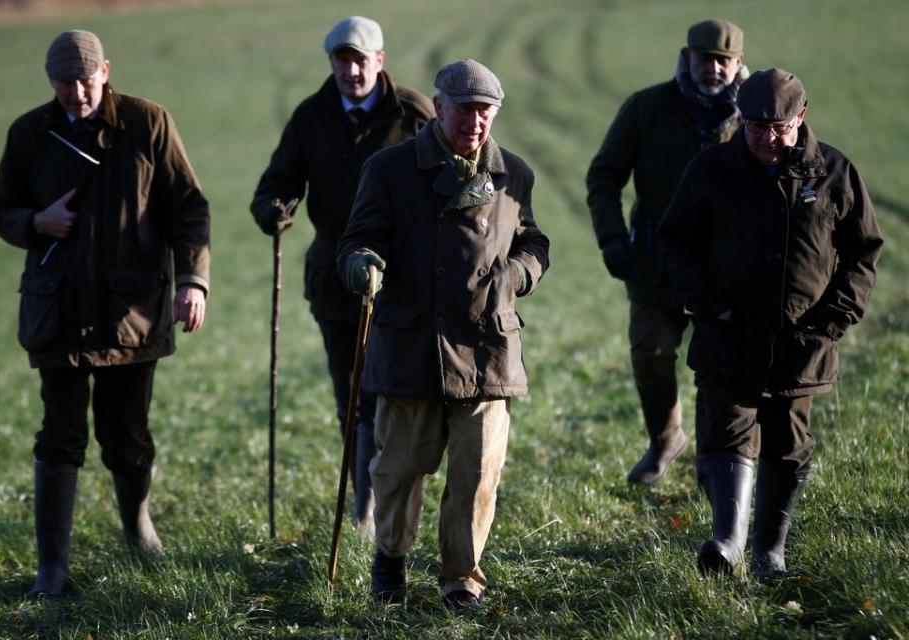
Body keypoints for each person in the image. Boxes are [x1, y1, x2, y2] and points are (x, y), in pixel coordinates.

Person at [0, 30, 210, 596]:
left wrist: (193, 281)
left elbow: (188, 208)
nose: (78, 94)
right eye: (66, 84)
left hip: (130, 312)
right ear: (51, 81)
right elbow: (1, 211)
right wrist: (36, 223)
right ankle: (51, 572)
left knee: (126, 435)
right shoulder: (29, 134)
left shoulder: (147, 122)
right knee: (58, 436)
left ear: (106, 71)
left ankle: (137, 527)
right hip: (56, 309)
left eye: (87, 81)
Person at [337, 59, 549, 608]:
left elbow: (534, 242)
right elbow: (357, 238)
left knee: (478, 473)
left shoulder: (514, 174)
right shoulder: (390, 169)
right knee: (400, 469)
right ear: (438, 108)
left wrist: (521, 272)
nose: (476, 123)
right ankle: (390, 563)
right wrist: (362, 263)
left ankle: (461, 580)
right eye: (466, 111)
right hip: (412, 343)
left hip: (486, 345)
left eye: (486, 113)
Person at [659, 68, 883, 576]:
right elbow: (676, 242)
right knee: (729, 429)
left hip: (802, 340)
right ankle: (728, 544)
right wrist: (709, 304)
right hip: (727, 333)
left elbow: (863, 252)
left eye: (779, 127)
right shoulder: (710, 169)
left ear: (801, 118)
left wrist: (831, 320)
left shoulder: (833, 172)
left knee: (786, 438)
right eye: (755, 126)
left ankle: (769, 553)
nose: (766, 138)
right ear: (741, 119)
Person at [249, 16, 433, 534]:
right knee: (353, 394)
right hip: (335, 277)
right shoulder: (311, 117)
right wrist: (274, 210)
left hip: (405, 277)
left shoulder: (415, 114)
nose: (351, 70)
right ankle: (364, 508)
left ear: (380, 60)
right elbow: (274, 184)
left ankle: (398, 496)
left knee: (398, 391)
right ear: (330, 63)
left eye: (360, 59)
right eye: (341, 60)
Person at [585, 19, 748, 485]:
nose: (713, 68)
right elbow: (604, 176)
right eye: (705, 58)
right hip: (655, 265)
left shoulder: (757, 115)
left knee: (718, 365)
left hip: (725, 270)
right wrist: (612, 239)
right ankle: (665, 439)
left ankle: (714, 462)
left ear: (738, 63)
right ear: (686, 56)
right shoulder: (647, 107)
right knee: (650, 350)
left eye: (724, 60)